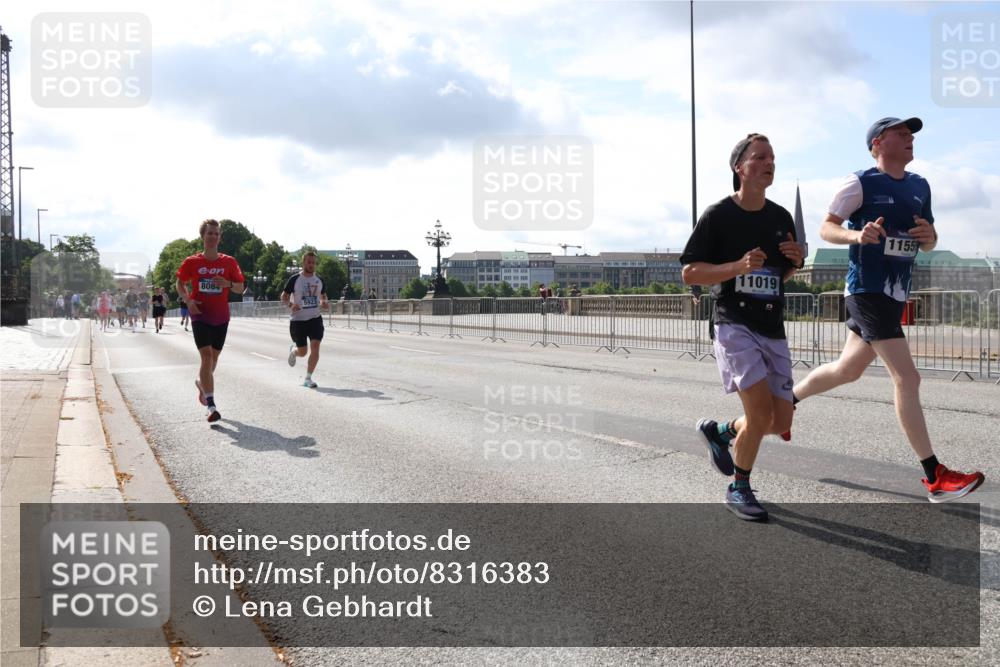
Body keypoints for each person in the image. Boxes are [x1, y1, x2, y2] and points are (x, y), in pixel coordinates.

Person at [790, 116, 984, 502]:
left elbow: (926, 238)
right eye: (901, 132)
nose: (910, 137)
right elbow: (827, 227)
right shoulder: (859, 183)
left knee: (846, 370)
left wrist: (930, 238)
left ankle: (782, 403)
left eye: (911, 133)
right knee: (908, 379)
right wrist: (856, 234)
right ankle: (935, 476)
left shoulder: (919, 186)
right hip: (867, 290)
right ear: (878, 143)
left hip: (895, 294)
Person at [681, 133, 803, 521]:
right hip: (734, 323)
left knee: (779, 421)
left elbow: (780, 274)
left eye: (773, 158)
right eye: (760, 157)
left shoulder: (781, 217)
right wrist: (736, 266)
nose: (769, 163)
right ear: (740, 167)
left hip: (772, 324)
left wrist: (795, 261)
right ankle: (739, 487)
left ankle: (722, 432)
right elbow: (690, 273)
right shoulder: (718, 215)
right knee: (761, 413)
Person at [175, 219, 245, 422]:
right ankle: (211, 406)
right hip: (199, 314)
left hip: (221, 317)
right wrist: (187, 300)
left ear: (220, 237)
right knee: (206, 357)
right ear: (203, 236)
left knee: (213, 359)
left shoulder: (229, 262)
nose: (213, 237)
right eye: (209, 233)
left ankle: (201, 383)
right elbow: (180, 282)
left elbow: (241, 287)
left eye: (216, 233)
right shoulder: (192, 262)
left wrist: (228, 283)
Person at [282, 251, 330, 388]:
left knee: (315, 348)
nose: (311, 265)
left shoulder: (319, 280)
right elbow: (283, 297)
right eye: (309, 262)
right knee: (303, 352)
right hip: (298, 321)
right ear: (303, 263)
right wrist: (291, 305)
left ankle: (308, 378)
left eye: (314, 262)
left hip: (315, 319)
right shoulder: (294, 279)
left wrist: (324, 303)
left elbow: (323, 296)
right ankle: (294, 351)